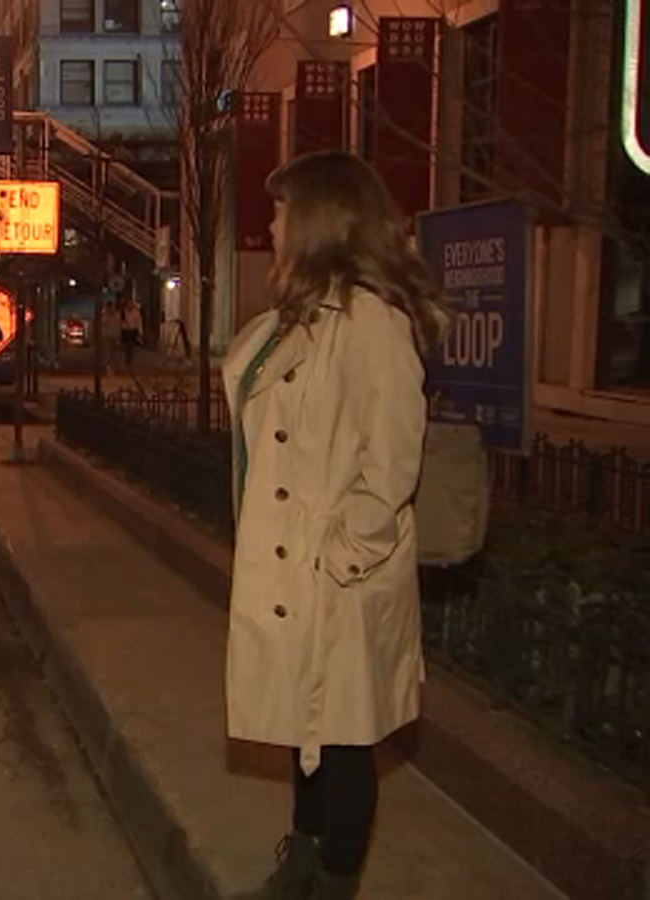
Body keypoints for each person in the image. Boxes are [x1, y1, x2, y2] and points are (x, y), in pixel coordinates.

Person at [222, 151, 449, 900]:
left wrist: (340, 557)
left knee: (344, 740)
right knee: (304, 727)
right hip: (299, 573)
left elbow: (390, 464)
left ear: (320, 220)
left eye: (284, 210)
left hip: (340, 580)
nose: (272, 223)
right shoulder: (303, 319)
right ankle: (303, 864)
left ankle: (334, 884)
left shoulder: (371, 324)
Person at [119, 298, 144, 368]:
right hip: (125, 330)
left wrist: (140, 332)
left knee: (130, 347)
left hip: (132, 331)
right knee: (125, 346)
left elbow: (139, 323)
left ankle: (129, 361)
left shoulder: (136, 313)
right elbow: (120, 322)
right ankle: (126, 360)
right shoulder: (124, 312)